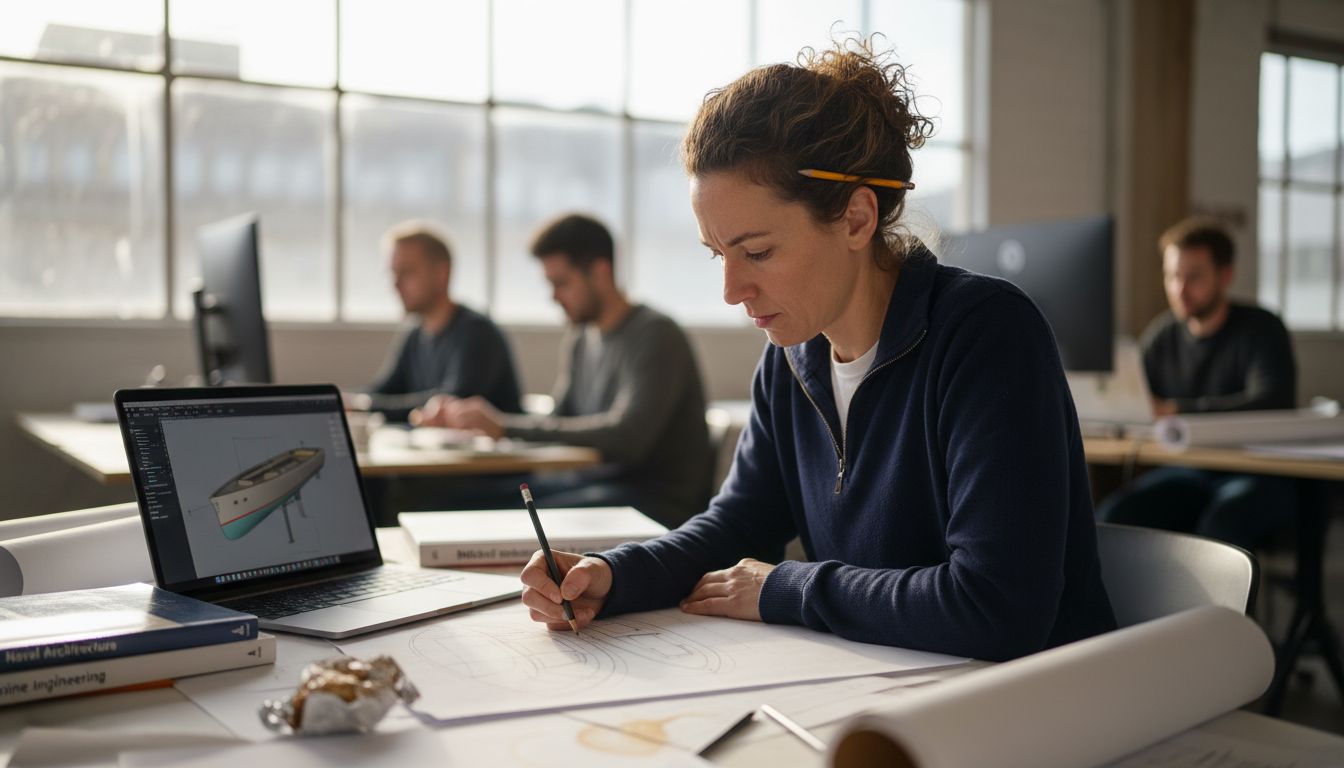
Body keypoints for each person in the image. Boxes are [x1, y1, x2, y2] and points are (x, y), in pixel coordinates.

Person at [515, 39, 1116, 662]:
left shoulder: (987, 334)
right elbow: (738, 525)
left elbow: (996, 607)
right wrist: (613, 576)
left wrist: (786, 586)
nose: (731, 290)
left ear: (857, 219)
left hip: (1034, 700)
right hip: (887, 683)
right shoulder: (790, 358)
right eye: (718, 255)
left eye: (758, 252)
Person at [415, 214, 712, 528]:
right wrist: (482, 429)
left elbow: (627, 438)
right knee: (456, 503)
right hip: (594, 485)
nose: (553, 296)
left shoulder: (656, 335)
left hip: (651, 502)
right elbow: (559, 419)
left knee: (499, 516)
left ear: (600, 272)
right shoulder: (582, 338)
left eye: (561, 283)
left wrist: (504, 426)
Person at [1097, 218, 1298, 550]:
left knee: (1221, 525)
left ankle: (1217, 605)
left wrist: (1177, 410)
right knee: (1115, 513)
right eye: (1172, 276)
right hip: (1189, 472)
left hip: (1257, 474)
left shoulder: (1262, 329)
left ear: (1225, 275)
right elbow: (1136, 399)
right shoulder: (1164, 334)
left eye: (1194, 277)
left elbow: (1272, 400)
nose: (1180, 289)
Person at [350, 223, 521, 422]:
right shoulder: (415, 334)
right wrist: (348, 402)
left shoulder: (477, 334)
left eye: (406, 272)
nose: (395, 284)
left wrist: (364, 406)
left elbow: (449, 403)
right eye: (392, 273)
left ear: (441, 273)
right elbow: (386, 391)